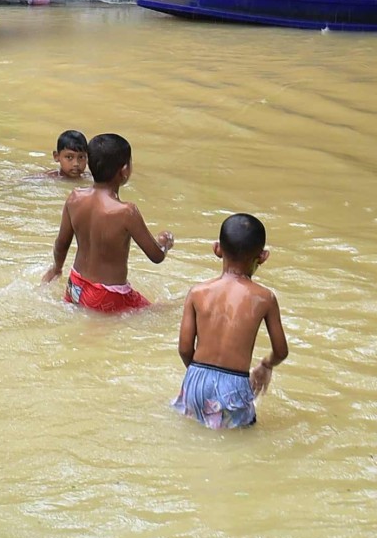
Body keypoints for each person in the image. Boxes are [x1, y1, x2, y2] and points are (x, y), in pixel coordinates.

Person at [173, 213, 288, 429]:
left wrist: (201, 376)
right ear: (263, 257)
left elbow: (184, 348)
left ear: (217, 249)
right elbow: (281, 350)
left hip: (195, 380)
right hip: (233, 385)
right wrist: (265, 365)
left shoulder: (197, 292)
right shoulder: (265, 297)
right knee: (242, 439)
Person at [43, 132, 172, 313]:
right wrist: (165, 241)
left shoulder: (75, 197)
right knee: (167, 311)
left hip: (75, 285)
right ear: (125, 170)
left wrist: (56, 269)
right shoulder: (127, 212)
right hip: (108, 295)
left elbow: (61, 243)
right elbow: (156, 256)